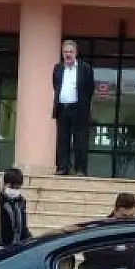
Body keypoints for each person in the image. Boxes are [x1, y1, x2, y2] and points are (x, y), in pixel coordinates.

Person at [51, 39, 95, 176]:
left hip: (79, 109)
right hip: (63, 108)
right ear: (62, 53)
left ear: (76, 53)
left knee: (80, 140)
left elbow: (90, 88)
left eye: (70, 51)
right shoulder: (58, 68)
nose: (68, 54)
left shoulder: (85, 68)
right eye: (65, 52)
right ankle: (62, 168)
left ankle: (80, 169)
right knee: (62, 140)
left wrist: (83, 105)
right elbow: (55, 85)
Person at [0, 167, 31, 246]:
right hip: (2, 246)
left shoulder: (21, 202)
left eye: (18, 187)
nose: (15, 190)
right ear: (6, 184)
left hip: (17, 245)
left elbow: (23, 226)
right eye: (12, 187)